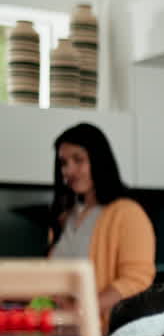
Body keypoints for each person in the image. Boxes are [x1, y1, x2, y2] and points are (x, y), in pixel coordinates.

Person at [49, 123, 155, 319]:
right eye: (63, 163)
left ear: (99, 160)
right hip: (63, 334)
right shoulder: (66, 217)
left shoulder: (128, 213)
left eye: (78, 160)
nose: (68, 170)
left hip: (105, 335)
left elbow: (136, 280)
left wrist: (80, 309)